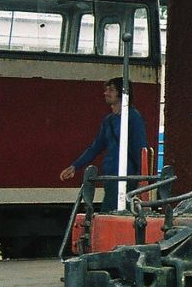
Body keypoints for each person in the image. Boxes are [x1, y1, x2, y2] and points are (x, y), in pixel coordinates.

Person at [60, 77, 149, 209]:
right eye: (106, 90)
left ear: (122, 93)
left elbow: (140, 148)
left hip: (125, 175)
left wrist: (142, 178)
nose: (106, 93)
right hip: (111, 175)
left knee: (109, 211)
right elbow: (96, 146)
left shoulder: (133, 117)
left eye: (111, 90)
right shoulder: (109, 120)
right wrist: (74, 166)